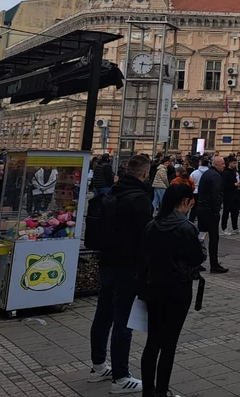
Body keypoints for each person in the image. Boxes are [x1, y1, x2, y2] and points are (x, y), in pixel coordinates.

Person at [89, 155, 153, 394]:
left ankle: (98, 366)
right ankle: (121, 377)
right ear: (145, 173)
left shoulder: (112, 192)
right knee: (123, 322)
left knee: (103, 314)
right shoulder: (140, 199)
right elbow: (145, 238)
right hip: (128, 266)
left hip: (107, 261)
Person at [137, 183, 205, 397]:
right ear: (185, 202)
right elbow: (198, 257)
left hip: (154, 287)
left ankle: (148, 391)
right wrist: (201, 244)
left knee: (153, 342)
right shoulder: (186, 227)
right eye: (190, 204)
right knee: (169, 343)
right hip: (178, 289)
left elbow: (142, 260)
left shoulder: (152, 225)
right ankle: (162, 391)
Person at [196, 156, 228, 274]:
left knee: (201, 235)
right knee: (214, 238)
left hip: (201, 208)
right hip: (210, 210)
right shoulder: (216, 176)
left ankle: (196, 262)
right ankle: (214, 264)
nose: (224, 165)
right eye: (222, 164)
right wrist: (217, 207)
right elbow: (216, 194)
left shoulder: (206, 174)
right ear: (216, 164)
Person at [220, 158, 240, 236]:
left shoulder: (234, 172)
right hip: (227, 196)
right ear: (229, 163)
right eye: (234, 163)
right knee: (226, 212)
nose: (235, 165)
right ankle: (224, 228)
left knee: (235, 213)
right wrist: (234, 184)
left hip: (235, 195)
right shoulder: (225, 172)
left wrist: (238, 184)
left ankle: (235, 228)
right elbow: (224, 185)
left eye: (236, 163)